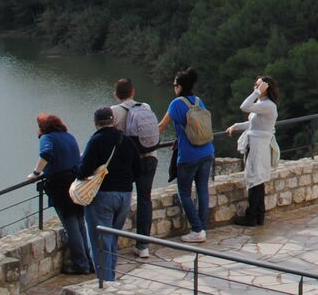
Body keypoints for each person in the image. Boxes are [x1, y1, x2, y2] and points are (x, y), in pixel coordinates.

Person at [78, 106, 138, 282]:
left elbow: (84, 171)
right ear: (113, 120)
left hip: (102, 196)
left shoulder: (96, 141)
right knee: (111, 239)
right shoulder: (126, 140)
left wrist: (75, 168)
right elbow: (139, 169)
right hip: (125, 195)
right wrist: (124, 182)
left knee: (100, 243)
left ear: (95, 122)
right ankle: (110, 278)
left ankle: (106, 284)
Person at [30, 113, 93, 275]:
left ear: (43, 128)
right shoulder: (69, 136)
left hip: (60, 185)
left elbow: (46, 153)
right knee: (80, 222)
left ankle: (81, 264)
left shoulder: (47, 138)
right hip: (76, 182)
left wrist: (36, 173)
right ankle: (90, 262)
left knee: (70, 224)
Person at [159, 67, 215, 243]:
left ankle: (197, 229)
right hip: (207, 151)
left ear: (180, 87)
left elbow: (161, 127)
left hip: (189, 155)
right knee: (202, 190)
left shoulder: (176, 104)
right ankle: (202, 228)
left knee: (184, 192)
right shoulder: (198, 101)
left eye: (175, 85)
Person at [114, 79, 160, 259]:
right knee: (145, 199)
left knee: (119, 198)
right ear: (133, 92)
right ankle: (143, 246)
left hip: (128, 163)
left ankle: (111, 243)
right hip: (150, 158)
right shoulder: (145, 107)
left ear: (116, 94)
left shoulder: (114, 112)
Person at [225, 75, 280, 227]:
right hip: (257, 144)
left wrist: (257, 92)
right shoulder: (262, 104)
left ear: (266, 88)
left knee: (255, 180)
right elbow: (253, 124)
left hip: (258, 146)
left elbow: (244, 106)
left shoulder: (268, 105)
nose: (255, 87)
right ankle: (259, 215)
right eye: (255, 85)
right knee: (257, 180)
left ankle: (251, 217)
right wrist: (236, 126)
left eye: (258, 85)